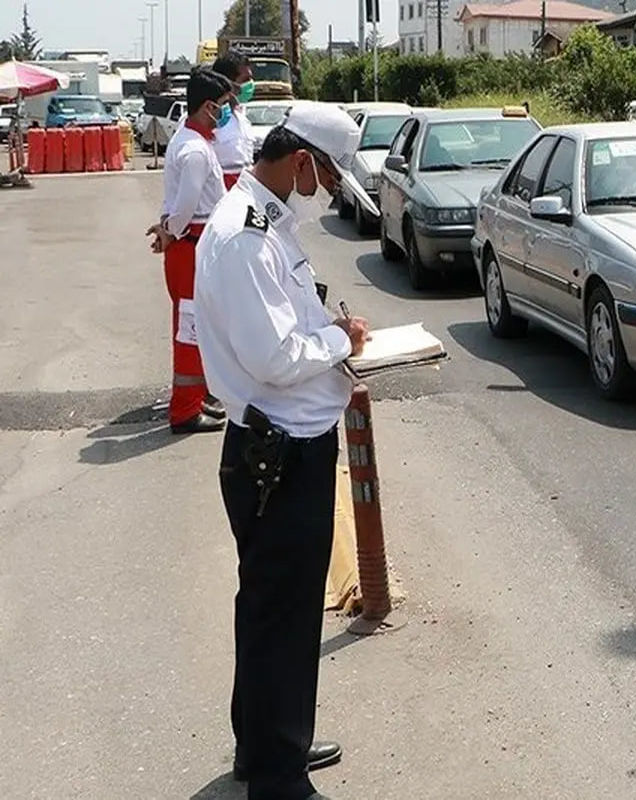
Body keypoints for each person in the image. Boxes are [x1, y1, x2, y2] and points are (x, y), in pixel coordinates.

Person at [193, 102, 380, 800]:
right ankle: (277, 776)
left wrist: (330, 328)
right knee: (283, 614)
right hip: (277, 456)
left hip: (285, 446)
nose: (326, 190)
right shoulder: (246, 236)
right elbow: (274, 355)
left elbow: (287, 323)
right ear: (301, 159)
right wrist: (345, 343)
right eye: (325, 175)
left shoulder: (265, 221)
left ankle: (271, 744)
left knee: (274, 609)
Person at [146, 68, 233, 433]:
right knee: (190, 331)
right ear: (209, 107)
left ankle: (196, 399)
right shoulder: (195, 150)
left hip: (190, 248)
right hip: (191, 249)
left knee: (198, 327)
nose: (229, 113)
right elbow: (185, 209)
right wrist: (169, 233)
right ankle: (184, 411)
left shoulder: (194, 139)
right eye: (225, 106)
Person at [211, 50, 257, 189]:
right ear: (226, 82)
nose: (250, 85)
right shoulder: (210, 121)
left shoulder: (242, 119)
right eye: (245, 80)